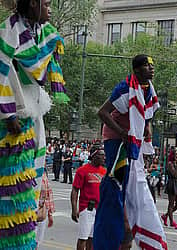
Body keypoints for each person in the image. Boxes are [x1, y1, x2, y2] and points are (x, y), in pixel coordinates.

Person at [0, 0, 69, 248]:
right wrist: (9, 114)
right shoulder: (9, 31)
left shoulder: (45, 32)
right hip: (14, 120)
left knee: (31, 184)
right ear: (33, 3)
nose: (50, 9)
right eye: (47, 3)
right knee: (12, 190)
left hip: (34, 116)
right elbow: (1, 70)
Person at [94, 55, 166, 249]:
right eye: (146, 66)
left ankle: (135, 224)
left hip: (134, 142)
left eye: (152, 65)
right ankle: (121, 221)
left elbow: (147, 113)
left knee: (134, 184)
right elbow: (102, 112)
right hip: (117, 141)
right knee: (117, 180)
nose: (151, 69)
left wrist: (147, 127)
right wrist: (122, 133)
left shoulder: (148, 88)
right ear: (136, 70)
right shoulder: (125, 88)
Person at [70, 146, 106, 250]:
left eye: (104, 155)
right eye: (101, 155)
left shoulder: (104, 172)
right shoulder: (82, 170)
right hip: (87, 208)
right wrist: (74, 209)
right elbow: (75, 190)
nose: (104, 158)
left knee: (93, 239)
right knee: (83, 239)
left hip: (99, 210)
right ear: (94, 156)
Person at [161, 154, 177, 229]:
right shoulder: (170, 164)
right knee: (171, 204)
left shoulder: (176, 164)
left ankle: (165, 215)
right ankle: (171, 221)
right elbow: (174, 174)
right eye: (176, 156)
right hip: (172, 184)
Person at [36, 173, 55, 246]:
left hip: (41, 212)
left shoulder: (43, 175)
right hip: (32, 211)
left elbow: (48, 195)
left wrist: (50, 214)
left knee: (36, 240)